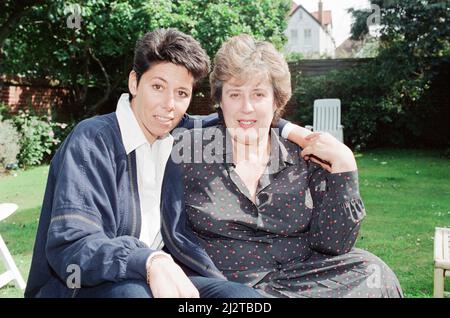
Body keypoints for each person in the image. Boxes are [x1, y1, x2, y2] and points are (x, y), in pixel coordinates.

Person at [25, 29, 310, 298]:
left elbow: (239, 116)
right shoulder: (92, 141)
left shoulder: (179, 133)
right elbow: (71, 243)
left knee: (242, 297)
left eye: (181, 94)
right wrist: (148, 260)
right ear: (134, 82)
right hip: (86, 284)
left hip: (157, 275)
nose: (169, 105)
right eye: (158, 87)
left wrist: (293, 131)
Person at [161, 34, 403, 298]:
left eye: (258, 94)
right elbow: (156, 120)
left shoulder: (305, 156)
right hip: (225, 285)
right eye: (234, 94)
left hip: (300, 279)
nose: (246, 107)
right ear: (220, 100)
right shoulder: (189, 149)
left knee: (373, 272)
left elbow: (334, 244)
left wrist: (345, 165)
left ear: (277, 101)